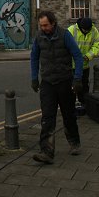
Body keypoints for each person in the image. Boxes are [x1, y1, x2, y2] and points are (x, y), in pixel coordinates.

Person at [30, 10, 84, 164]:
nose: (43, 28)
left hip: (65, 82)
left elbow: (78, 56)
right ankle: (46, 152)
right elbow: (34, 57)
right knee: (47, 118)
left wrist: (78, 79)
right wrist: (34, 78)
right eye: (41, 25)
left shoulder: (65, 35)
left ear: (53, 23)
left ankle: (74, 143)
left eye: (46, 25)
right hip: (47, 83)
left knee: (69, 115)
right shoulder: (39, 37)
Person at [67, 17, 99, 109]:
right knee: (72, 88)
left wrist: (88, 56)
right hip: (71, 66)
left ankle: (85, 106)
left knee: (84, 87)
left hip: (84, 66)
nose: (86, 31)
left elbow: (97, 45)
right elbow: (64, 46)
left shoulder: (94, 31)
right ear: (80, 26)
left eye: (87, 30)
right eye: (84, 30)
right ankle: (71, 107)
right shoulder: (71, 30)